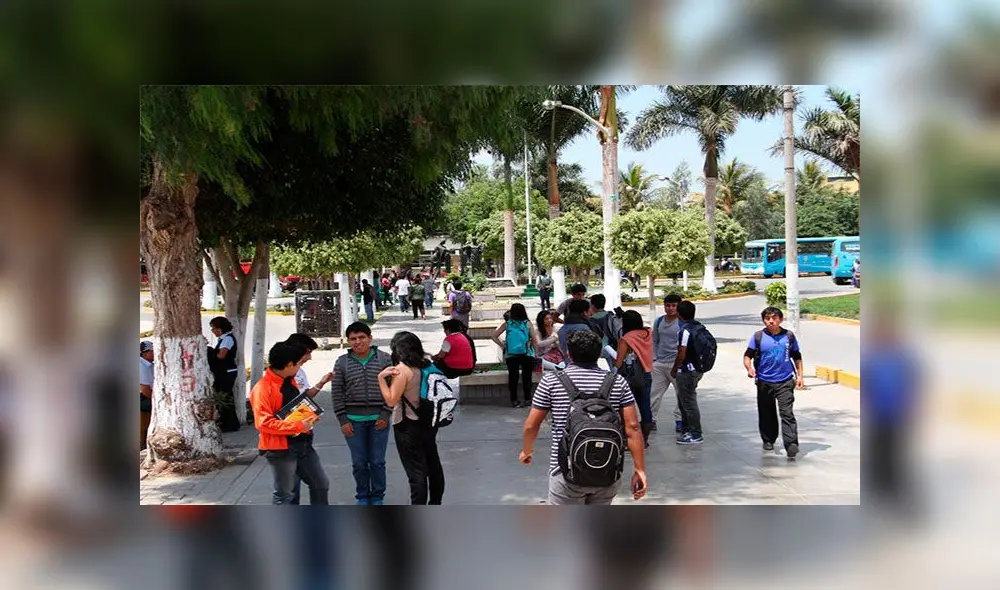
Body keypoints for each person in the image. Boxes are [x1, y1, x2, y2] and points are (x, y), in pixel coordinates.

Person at [519, 330, 647, 505]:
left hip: (565, 472)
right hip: (607, 471)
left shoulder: (551, 381)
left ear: (569, 354)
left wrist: (526, 450)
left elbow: (531, 426)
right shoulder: (617, 381)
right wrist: (639, 469)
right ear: (598, 354)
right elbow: (632, 427)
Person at [250, 341, 329, 505]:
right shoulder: (263, 388)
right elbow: (263, 423)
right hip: (281, 450)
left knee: (321, 484)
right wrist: (299, 426)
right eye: (299, 363)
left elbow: (292, 408)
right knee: (285, 494)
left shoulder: (288, 379)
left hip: (303, 443)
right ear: (289, 364)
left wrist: (308, 416)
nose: (300, 367)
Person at [377, 332, 446, 505]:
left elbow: (391, 400)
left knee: (416, 473)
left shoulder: (402, 370)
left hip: (407, 425)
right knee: (433, 465)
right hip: (429, 422)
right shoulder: (427, 365)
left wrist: (381, 379)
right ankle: (436, 503)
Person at [331, 322, 394, 505]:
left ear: (370, 338)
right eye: (353, 339)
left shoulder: (384, 359)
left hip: (379, 421)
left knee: (377, 461)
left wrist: (386, 413)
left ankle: (377, 496)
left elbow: (394, 388)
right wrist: (342, 419)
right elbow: (337, 392)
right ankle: (362, 495)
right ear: (348, 341)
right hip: (353, 421)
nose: (358, 342)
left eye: (361, 338)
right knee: (359, 462)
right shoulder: (342, 362)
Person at [743, 306, 803, 458]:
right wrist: (749, 369)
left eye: (774, 318)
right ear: (764, 320)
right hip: (764, 381)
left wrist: (800, 376)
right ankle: (768, 439)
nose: (771, 321)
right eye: (768, 318)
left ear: (780, 319)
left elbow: (796, 356)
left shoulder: (788, 336)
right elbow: (747, 355)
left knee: (787, 413)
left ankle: (791, 444)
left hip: (785, 381)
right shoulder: (758, 337)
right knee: (766, 412)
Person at [284, 333, 334, 505]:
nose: (310, 357)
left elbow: (304, 397)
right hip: (287, 439)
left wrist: (321, 384)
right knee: (289, 489)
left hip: (304, 434)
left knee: (320, 483)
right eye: (307, 352)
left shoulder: (300, 371)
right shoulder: (279, 376)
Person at [614, 310, 654, 448]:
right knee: (645, 407)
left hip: (630, 376)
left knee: (626, 408)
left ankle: (628, 439)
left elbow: (619, 362)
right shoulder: (648, 333)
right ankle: (645, 439)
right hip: (646, 373)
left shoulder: (627, 338)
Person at [492, 303, 540, 408]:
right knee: (527, 377)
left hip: (511, 354)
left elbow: (494, 336)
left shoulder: (507, 323)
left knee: (513, 377)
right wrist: (536, 352)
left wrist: (503, 345)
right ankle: (527, 399)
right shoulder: (527, 323)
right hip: (527, 354)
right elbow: (535, 340)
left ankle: (514, 400)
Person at [670, 301, 704, 445]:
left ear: (678, 314)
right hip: (697, 368)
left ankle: (695, 433)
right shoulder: (699, 327)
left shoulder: (684, 331)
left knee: (688, 402)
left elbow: (681, 353)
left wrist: (674, 368)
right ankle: (687, 430)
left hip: (686, 371)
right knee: (685, 401)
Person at [651, 293, 684, 434]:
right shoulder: (659, 321)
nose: (670, 308)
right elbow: (654, 340)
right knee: (653, 394)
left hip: (677, 364)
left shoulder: (682, 322)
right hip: (659, 364)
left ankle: (680, 421)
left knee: (681, 395)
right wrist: (654, 359)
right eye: (667, 305)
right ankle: (651, 420)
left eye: (673, 305)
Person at [208, 316, 241, 432]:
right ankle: (228, 422)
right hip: (223, 371)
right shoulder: (223, 339)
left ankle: (230, 423)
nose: (213, 331)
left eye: (213, 329)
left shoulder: (227, 339)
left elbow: (221, 355)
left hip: (227, 371)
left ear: (220, 329)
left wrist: (210, 352)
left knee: (225, 396)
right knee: (224, 396)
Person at [588, 293, 622, 367]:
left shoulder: (591, 320)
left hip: (602, 349)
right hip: (616, 346)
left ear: (592, 306)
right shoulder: (611, 315)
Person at [140, 340, 154, 450]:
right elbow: (145, 391)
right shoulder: (141, 366)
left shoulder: (150, 365)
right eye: (153, 351)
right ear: (144, 353)